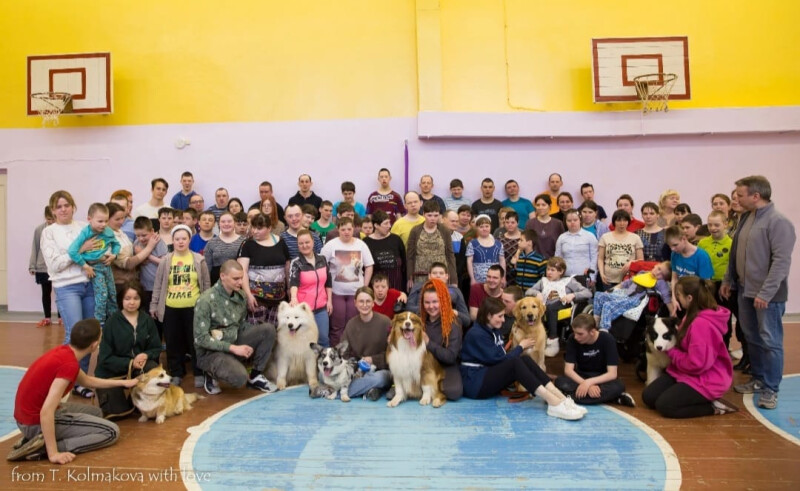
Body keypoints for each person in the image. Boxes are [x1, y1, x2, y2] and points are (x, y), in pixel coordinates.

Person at [9, 319, 138, 464]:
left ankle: (38, 439)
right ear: (94, 345)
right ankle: (42, 448)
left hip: (27, 418)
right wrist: (53, 454)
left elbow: (87, 381)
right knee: (111, 432)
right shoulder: (69, 365)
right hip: (33, 423)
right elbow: (46, 411)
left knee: (96, 413)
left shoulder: (65, 352)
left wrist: (123, 382)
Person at [723, 176, 796, 409]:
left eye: (740, 195)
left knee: (770, 341)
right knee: (752, 337)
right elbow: (735, 252)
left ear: (756, 196)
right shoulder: (746, 217)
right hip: (744, 290)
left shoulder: (779, 222)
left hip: (768, 296)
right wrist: (729, 279)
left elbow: (781, 263)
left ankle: (770, 389)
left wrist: (765, 293)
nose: (736, 199)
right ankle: (758, 378)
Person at [459, 297, 586, 420]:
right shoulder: (477, 334)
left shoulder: (493, 329)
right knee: (515, 362)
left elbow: (500, 356)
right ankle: (552, 402)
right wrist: (520, 347)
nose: (503, 320)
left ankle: (561, 398)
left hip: (486, 375)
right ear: (488, 316)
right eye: (500, 316)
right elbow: (500, 360)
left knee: (525, 359)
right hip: (475, 383)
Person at [642, 276, 737, 418]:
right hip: (685, 372)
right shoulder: (691, 315)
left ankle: (713, 407)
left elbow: (696, 364)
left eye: (678, 295)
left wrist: (671, 351)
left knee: (666, 406)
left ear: (689, 298)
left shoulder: (701, 325)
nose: (677, 299)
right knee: (649, 397)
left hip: (705, 379)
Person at [41, 191, 98, 397]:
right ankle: (62, 378)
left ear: (73, 207)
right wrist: (80, 250)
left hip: (89, 284)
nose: (63, 209)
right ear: (53, 210)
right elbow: (55, 265)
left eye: (67, 205)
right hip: (67, 287)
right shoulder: (49, 233)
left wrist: (102, 254)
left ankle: (78, 381)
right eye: (59, 206)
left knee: (89, 334)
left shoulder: (83, 226)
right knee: (74, 333)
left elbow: (94, 252)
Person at [194, 260, 278, 395]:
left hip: (234, 340)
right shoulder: (205, 300)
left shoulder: (241, 296)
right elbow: (201, 339)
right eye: (235, 279)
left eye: (241, 278)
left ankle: (256, 375)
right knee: (240, 378)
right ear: (222, 276)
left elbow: (241, 324)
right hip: (211, 353)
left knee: (268, 330)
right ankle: (210, 373)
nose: (240, 282)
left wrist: (256, 338)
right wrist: (233, 348)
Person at [151, 224, 211, 387]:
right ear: (173, 240)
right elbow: (158, 284)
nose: (180, 241)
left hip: (194, 308)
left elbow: (206, 284)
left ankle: (199, 371)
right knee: (173, 342)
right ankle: (176, 371)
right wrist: (154, 305)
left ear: (189, 239)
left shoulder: (199, 259)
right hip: (171, 308)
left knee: (196, 341)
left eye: (184, 238)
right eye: (177, 239)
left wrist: (207, 305)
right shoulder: (166, 260)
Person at [555, 314, 635, 406]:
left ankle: (568, 397)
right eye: (575, 333)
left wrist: (589, 383)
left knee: (619, 386)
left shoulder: (608, 339)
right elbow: (568, 370)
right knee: (560, 381)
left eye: (580, 334)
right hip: (581, 377)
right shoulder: (572, 339)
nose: (576, 337)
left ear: (592, 332)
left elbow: (612, 374)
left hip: (601, 379)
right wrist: (585, 384)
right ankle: (613, 398)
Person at [321, 217, 375, 346]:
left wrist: (364, 287)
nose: (346, 232)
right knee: (336, 326)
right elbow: (321, 266)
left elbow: (369, 266)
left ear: (354, 229)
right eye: (343, 229)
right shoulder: (330, 245)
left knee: (354, 325)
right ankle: (336, 352)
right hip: (336, 292)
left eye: (349, 229)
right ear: (338, 229)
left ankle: (353, 352)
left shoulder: (361, 245)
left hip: (356, 293)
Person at [526, 257, 592, 357]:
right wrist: (537, 293)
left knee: (551, 308)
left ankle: (553, 340)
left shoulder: (569, 281)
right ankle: (536, 340)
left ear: (561, 271)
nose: (549, 272)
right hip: (544, 305)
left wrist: (573, 295)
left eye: (552, 270)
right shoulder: (543, 281)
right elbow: (528, 291)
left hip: (562, 303)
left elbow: (588, 293)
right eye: (548, 269)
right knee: (536, 309)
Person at [96, 281, 161, 380]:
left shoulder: (147, 320)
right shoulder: (112, 322)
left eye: (136, 298)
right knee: (114, 391)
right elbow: (105, 357)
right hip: (113, 371)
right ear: (121, 300)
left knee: (154, 370)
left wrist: (146, 355)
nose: (132, 302)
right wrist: (130, 363)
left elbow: (156, 348)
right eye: (127, 298)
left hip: (139, 367)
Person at [67, 203, 119, 324]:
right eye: (100, 221)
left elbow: (116, 244)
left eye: (106, 221)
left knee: (112, 294)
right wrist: (85, 266)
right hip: (94, 268)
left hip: (106, 265)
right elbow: (72, 251)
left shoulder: (108, 231)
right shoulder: (85, 233)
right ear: (89, 219)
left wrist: (114, 255)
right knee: (102, 295)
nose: (104, 224)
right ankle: (99, 323)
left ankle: (113, 321)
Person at [238, 214, 291, 326]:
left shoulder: (281, 242)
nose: (255, 231)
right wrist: (248, 295)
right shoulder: (247, 244)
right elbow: (243, 272)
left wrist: (289, 288)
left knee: (275, 331)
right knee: (256, 331)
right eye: (253, 227)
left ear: (269, 228)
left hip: (279, 298)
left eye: (259, 228)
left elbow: (287, 267)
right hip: (257, 299)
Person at [340, 287, 393, 401]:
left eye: (368, 301)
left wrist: (373, 359)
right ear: (355, 303)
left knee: (380, 378)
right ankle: (371, 390)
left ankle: (343, 392)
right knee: (325, 373)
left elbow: (394, 354)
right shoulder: (351, 324)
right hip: (360, 370)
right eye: (361, 301)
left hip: (381, 370)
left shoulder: (385, 322)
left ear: (373, 303)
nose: (365, 305)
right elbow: (344, 353)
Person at [592, 261, 673, 331]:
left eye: (662, 274)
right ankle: (596, 322)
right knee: (599, 295)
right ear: (656, 265)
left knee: (607, 306)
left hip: (636, 300)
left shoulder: (661, 283)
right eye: (659, 269)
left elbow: (667, 299)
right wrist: (610, 291)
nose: (657, 273)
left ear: (664, 279)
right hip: (625, 294)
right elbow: (625, 283)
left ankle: (604, 330)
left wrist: (673, 315)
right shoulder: (642, 273)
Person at [418, 279, 463, 400]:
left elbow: (451, 357)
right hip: (422, 365)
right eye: (427, 302)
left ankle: (431, 387)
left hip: (445, 365)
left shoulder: (453, 323)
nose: (431, 306)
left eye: (435, 302)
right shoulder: (419, 320)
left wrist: (428, 343)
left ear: (442, 301)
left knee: (453, 392)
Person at [289, 229, 334, 347]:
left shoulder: (322, 259)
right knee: (303, 342)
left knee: (323, 339)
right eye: (301, 243)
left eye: (307, 242)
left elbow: (328, 282)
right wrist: (293, 298)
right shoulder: (296, 263)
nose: (304, 246)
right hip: (303, 310)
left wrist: (329, 301)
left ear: (313, 242)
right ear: (298, 245)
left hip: (321, 309)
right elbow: (293, 283)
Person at [698, 210, 734, 348]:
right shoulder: (702, 243)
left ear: (725, 224)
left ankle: (724, 346)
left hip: (723, 286)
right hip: (706, 285)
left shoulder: (731, 244)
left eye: (717, 225)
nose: (713, 228)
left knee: (723, 318)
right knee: (706, 316)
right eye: (710, 225)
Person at [406, 200, 458, 288]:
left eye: (436, 215)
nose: (433, 218)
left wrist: (453, 279)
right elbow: (410, 256)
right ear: (423, 214)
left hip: (440, 274)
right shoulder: (415, 230)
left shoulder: (444, 230)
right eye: (429, 215)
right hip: (420, 275)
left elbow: (450, 255)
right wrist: (409, 277)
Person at [406, 262, 471, 329]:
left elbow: (467, 320)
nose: (438, 276)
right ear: (429, 276)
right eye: (434, 273)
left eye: (441, 273)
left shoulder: (455, 291)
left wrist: (455, 312)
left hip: (446, 326)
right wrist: (427, 309)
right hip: (420, 325)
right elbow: (408, 308)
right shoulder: (418, 287)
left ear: (447, 276)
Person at [665, 225, 713, 315]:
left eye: (675, 245)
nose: (672, 249)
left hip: (697, 301)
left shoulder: (702, 256)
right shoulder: (674, 254)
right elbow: (674, 278)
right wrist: (674, 298)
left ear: (684, 239)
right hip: (681, 298)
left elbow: (706, 285)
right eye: (670, 246)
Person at [597, 210, 644, 289]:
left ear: (628, 222)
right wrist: (601, 274)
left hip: (628, 279)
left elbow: (641, 260)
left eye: (625, 220)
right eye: (619, 220)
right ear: (614, 222)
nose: (622, 224)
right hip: (608, 279)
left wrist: (631, 262)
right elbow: (600, 258)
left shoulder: (635, 238)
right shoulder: (605, 237)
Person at [363, 209, 407, 292]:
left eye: (389, 223)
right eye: (386, 223)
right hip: (376, 288)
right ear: (376, 225)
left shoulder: (396, 239)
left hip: (397, 287)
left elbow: (404, 264)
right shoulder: (366, 242)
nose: (389, 226)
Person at [30, 205, 57, 327]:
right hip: (42, 266)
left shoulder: (60, 229)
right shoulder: (39, 230)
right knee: (46, 292)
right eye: (49, 219)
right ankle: (47, 317)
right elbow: (35, 247)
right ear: (45, 217)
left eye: (53, 219)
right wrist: (32, 266)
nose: (51, 222)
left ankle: (61, 317)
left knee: (60, 292)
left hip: (57, 266)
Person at [554, 209, 598, 283]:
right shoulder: (561, 238)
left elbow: (594, 258)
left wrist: (592, 277)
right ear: (565, 222)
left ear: (580, 220)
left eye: (575, 220)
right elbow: (558, 258)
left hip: (584, 276)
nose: (572, 222)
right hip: (565, 277)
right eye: (569, 220)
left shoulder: (590, 236)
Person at [466, 216, 505, 285]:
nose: (484, 229)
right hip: (478, 282)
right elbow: (469, 262)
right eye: (481, 227)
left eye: (487, 226)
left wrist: (503, 277)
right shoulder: (472, 244)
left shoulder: (498, 244)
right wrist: (472, 278)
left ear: (490, 227)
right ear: (477, 228)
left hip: (495, 282)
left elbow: (502, 261)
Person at [526, 193, 564, 258]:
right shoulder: (530, 223)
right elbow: (526, 243)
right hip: (534, 260)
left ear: (549, 206)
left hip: (553, 260)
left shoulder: (558, 223)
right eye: (538, 205)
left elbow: (562, 244)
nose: (540, 207)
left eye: (543, 205)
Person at [498, 210, 522, 284]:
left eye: (512, 222)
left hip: (520, 274)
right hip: (504, 275)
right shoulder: (499, 239)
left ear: (517, 223)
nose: (509, 225)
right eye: (507, 222)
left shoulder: (523, 238)